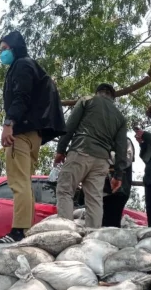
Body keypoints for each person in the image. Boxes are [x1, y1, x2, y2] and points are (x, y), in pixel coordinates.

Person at [0, 31, 66, 243]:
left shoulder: (21, 65)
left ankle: (19, 230)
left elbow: (21, 96)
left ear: (15, 48)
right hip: (33, 135)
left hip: (21, 133)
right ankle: (24, 228)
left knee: (18, 183)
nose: (2, 54)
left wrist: (9, 123)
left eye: (4, 49)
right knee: (25, 181)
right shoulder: (32, 66)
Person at [54, 83, 127, 228]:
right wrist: (118, 175)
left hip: (81, 150)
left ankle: (66, 232)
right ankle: (92, 239)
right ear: (113, 98)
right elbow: (121, 148)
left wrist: (60, 150)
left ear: (98, 92)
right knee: (94, 200)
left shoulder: (87, 100)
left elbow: (70, 126)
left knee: (65, 190)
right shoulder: (120, 117)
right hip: (102, 161)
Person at [102, 137, 135, 228]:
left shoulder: (125, 141)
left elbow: (126, 160)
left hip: (119, 190)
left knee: (112, 223)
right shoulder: (103, 140)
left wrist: (106, 155)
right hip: (103, 191)